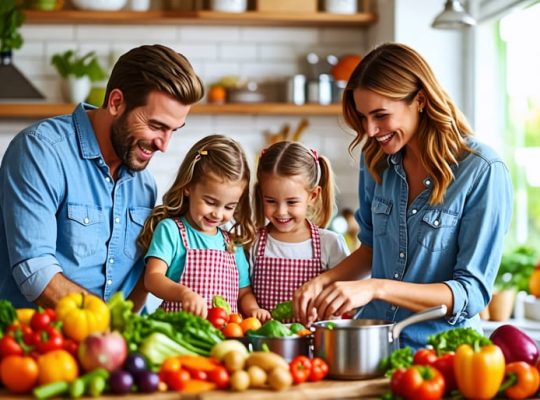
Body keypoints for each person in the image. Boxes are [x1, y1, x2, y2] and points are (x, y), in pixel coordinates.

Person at [293, 42, 513, 349]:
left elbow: (470, 293)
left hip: (442, 357)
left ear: (420, 99)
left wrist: (376, 288)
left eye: (380, 115)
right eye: (362, 117)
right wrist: (321, 282)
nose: (370, 130)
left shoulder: (481, 171)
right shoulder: (376, 162)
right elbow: (370, 250)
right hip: (376, 349)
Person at [0, 44, 204, 310]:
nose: (163, 145)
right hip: (39, 342)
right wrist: (106, 326)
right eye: (156, 126)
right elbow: (36, 273)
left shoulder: (143, 184)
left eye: (173, 130)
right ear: (116, 102)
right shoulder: (41, 152)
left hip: (110, 345)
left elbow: (136, 283)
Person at [138, 134, 260, 318]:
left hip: (223, 337)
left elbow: (244, 292)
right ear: (188, 187)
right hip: (180, 332)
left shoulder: (232, 244)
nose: (218, 214)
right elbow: (153, 278)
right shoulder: (171, 230)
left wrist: (254, 310)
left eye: (229, 207)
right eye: (210, 201)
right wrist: (183, 294)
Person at [250, 141, 349, 321]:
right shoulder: (254, 243)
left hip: (316, 343)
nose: (281, 211)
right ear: (260, 195)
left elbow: (345, 296)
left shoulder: (330, 243)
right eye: (271, 201)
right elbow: (244, 291)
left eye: (291, 202)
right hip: (266, 343)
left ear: (312, 196)